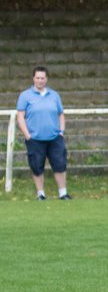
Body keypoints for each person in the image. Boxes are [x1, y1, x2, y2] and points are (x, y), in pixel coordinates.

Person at [16, 66, 71, 200]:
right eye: (38, 78)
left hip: (54, 138)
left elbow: (61, 114)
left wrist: (61, 132)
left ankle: (63, 193)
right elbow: (20, 117)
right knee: (37, 166)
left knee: (60, 164)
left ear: (46, 79)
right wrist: (28, 135)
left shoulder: (54, 95)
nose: (40, 80)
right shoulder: (25, 96)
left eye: (43, 78)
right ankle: (41, 194)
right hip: (34, 138)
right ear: (33, 78)